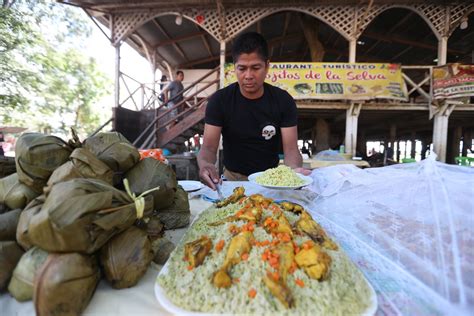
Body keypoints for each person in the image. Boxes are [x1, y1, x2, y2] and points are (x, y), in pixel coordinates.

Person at [198, 32, 309, 190]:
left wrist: (294, 173)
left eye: (255, 68)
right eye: (242, 68)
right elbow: (208, 147)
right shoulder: (220, 101)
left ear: (267, 66)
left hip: (271, 182)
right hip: (232, 181)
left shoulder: (283, 101)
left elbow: (291, 149)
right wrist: (205, 165)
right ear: (234, 68)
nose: (248, 76)